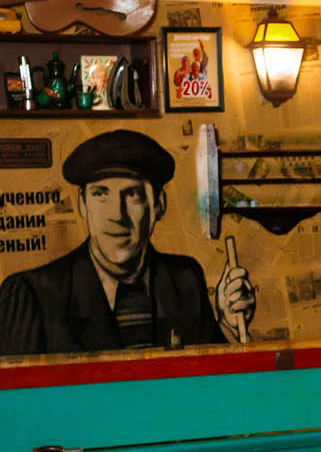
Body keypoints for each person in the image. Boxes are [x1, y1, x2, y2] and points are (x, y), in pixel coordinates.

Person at [0, 129, 255, 355]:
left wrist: (229, 326)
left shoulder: (184, 280)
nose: (116, 215)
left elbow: (207, 380)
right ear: (82, 204)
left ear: (158, 205)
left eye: (132, 194)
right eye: (100, 194)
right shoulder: (32, 295)